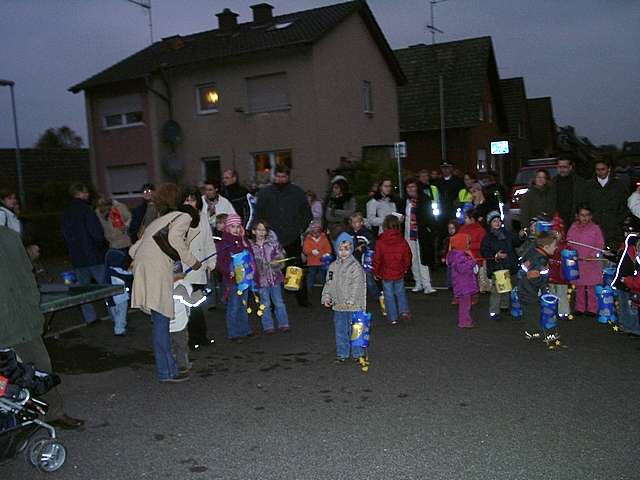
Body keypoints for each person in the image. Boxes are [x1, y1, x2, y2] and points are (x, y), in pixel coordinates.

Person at [0, 225, 85, 429]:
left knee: (40, 367)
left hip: (21, 319)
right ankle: (13, 420)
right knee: (6, 378)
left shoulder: (9, 236)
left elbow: (27, 273)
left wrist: (32, 303)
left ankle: (53, 413)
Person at [129, 183, 202, 383]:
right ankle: (167, 372)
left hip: (145, 271)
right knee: (161, 324)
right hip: (157, 272)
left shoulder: (159, 221)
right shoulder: (183, 217)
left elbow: (133, 250)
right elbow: (175, 240)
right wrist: (193, 262)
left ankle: (167, 369)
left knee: (159, 322)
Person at [255, 164, 312, 306]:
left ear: (288, 176)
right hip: (271, 238)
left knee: (295, 268)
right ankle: (273, 302)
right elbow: (258, 214)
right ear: (274, 176)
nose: (280, 179)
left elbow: (306, 214)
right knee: (271, 269)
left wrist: (300, 228)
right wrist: (262, 232)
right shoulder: (265, 193)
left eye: (283, 177)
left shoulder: (297, 193)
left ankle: (302, 299)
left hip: (291, 236)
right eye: (278, 176)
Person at [61, 183, 107, 325]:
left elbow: (66, 235)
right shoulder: (87, 210)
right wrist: (102, 245)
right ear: (79, 193)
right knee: (106, 287)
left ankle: (90, 317)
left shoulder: (67, 212)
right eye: (85, 192)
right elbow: (96, 232)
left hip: (78, 257)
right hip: (93, 256)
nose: (88, 195)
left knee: (82, 289)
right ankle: (115, 314)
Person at [321, 231, 366, 363]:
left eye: (347, 249)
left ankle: (358, 354)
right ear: (336, 250)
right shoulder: (333, 266)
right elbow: (329, 283)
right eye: (340, 249)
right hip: (339, 305)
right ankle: (342, 353)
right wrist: (326, 296)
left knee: (356, 329)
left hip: (354, 305)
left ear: (351, 249)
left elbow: (357, 285)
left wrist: (352, 299)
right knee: (340, 331)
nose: (343, 252)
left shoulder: (355, 266)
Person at [181, 187, 217, 350]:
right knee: (185, 305)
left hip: (200, 266)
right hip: (183, 269)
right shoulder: (176, 219)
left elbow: (208, 241)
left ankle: (200, 336)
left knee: (197, 305)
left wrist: (211, 263)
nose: (189, 203)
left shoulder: (202, 218)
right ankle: (188, 338)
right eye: (186, 200)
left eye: (192, 200)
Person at [215, 213, 254, 341]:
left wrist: (252, 268)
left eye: (238, 226)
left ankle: (245, 328)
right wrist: (228, 271)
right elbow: (220, 262)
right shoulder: (224, 244)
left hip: (245, 278)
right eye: (233, 226)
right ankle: (233, 332)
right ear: (227, 227)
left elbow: (251, 256)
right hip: (232, 280)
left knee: (243, 304)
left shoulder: (243, 241)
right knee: (234, 305)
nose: (236, 229)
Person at [518, 231, 560, 346]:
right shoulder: (540, 259)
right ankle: (544, 332)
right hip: (531, 291)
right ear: (546, 247)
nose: (556, 248)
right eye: (554, 246)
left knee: (529, 312)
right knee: (537, 312)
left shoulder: (533, 252)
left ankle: (531, 331)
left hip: (524, 289)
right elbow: (533, 276)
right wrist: (543, 285)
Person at [250, 220, 290, 334]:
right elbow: (249, 262)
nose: (261, 233)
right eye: (259, 230)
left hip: (274, 277)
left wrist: (277, 261)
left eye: (264, 230)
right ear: (254, 231)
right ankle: (268, 326)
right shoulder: (251, 247)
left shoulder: (273, 244)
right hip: (261, 280)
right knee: (265, 303)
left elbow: (281, 254)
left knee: (279, 302)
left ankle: (284, 323)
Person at [373, 215, 412, 325]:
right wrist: (406, 268)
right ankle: (404, 311)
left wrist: (376, 272)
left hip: (386, 273)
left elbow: (377, 259)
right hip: (399, 271)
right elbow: (407, 256)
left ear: (384, 226)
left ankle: (393, 316)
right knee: (400, 292)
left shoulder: (380, 241)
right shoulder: (402, 241)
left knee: (388, 295)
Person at [566, 204, 605, 317]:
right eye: (582, 215)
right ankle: (580, 307)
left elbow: (600, 244)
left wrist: (593, 255)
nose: (585, 218)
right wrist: (572, 252)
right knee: (579, 286)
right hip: (578, 261)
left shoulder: (595, 229)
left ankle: (593, 308)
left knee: (592, 286)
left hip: (591, 262)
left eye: (587, 215)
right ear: (577, 216)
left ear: (591, 216)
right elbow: (569, 241)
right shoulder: (573, 227)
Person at [481, 210, 520, 320]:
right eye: (494, 221)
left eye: (498, 220)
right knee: (496, 290)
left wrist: (521, 236)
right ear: (490, 223)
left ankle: (504, 306)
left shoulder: (507, 234)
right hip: (496, 266)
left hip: (508, 265)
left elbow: (516, 242)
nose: (497, 223)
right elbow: (484, 251)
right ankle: (494, 311)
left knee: (507, 287)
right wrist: (495, 255)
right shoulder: (488, 237)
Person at [584, 160, 629, 250]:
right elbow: (584, 205)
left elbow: (625, 205)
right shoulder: (588, 186)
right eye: (597, 169)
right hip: (594, 228)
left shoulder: (619, 185)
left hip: (614, 230)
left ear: (609, 169)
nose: (600, 172)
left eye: (603, 169)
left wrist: (618, 220)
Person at [403, 178, 437, 294]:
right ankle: (418, 283)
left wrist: (428, 229)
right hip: (408, 234)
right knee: (413, 259)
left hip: (422, 233)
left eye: (413, 187)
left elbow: (429, 217)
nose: (411, 189)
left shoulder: (424, 199)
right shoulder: (405, 202)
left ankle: (427, 284)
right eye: (408, 187)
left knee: (423, 258)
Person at [447, 233, 479, 328]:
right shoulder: (459, 256)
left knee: (465, 304)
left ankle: (465, 320)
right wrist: (472, 262)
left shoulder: (458, 254)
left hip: (464, 284)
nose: (469, 245)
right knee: (465, 305)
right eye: (468, 243)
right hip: (463, 284)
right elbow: (462, 268)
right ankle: (464, 321)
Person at [612, 232, 640, 336]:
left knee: (630, 307)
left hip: (630, 283)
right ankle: (627, 325)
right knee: (625, 305)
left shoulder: (632, 250)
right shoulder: (629, 249)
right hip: (624, 282)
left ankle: (633, 327)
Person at [346, 212, 379, 298]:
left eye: (357, 222)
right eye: (353, 222)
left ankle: (377, 295)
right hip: (353, 259)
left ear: (361, 223)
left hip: (365, 260)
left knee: (369, 279)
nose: (355, 224)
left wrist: (363, 248)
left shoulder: (366, 233)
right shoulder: (349, 233)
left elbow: (373, 244)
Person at [551, 157, 587, 231]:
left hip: (575, 221)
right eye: (560, 167)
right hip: (557, 222)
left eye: (564, 167)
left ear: (570, 167)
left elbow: (584, 201)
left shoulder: (580, 183)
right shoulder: (551, 183)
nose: (562, 169)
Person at [458, 208, 489, 293]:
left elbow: (483, 245)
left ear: (472, 219)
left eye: (466, 218)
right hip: (463, 257)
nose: (464, 219)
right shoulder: (462, 229)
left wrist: (469, 246)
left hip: (476, 258)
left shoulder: (480, 230)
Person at [548, 215, 571, 320]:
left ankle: (563, 312)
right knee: (552, 292)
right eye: (554, 233)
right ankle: (551, 310)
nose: (556, 235)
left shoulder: (566, 246)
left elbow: (570, 257)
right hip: (552, 273)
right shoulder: (548, 245)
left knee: (562, 293)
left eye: (558, 233)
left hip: (562, 274)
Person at [303, 220, 332, 292]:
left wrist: (327, 254)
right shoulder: (308, 239)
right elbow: (305, 250)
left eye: (317, 231)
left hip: (322, 262)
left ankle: (325, 290)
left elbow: (328, 248)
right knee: (311, 276)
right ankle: (308, 289)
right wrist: (311, 251)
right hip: (312, 262)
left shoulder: (324, 238)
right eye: (313, 231)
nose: (316, 233)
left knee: (323, 276)